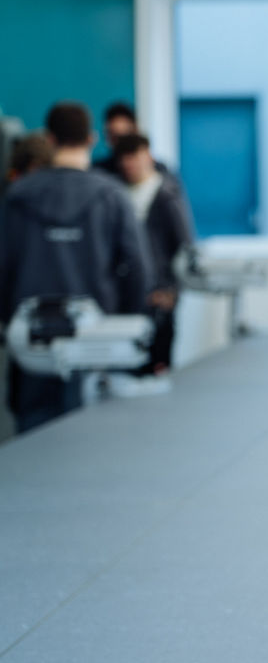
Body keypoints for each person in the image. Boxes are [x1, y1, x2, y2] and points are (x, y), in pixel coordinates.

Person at [0, 101, 151, 432]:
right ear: (92, 138)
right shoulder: (112, 197)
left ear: (50, 140)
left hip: (32, 347)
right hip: (96, 346)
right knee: (91, 444)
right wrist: (123, 327)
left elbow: (3, 267)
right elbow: (139, 271)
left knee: (33, 447)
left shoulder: (17, 197)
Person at [113, 133, 193, 374]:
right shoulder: (115, 194)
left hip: (160, 294)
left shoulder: (166, 194)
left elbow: (184, 246)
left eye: (134, 158)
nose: (130, 165)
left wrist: (172, 290)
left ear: (147, 156)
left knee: (158, 364)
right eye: (125, 160)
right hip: (126, 294)